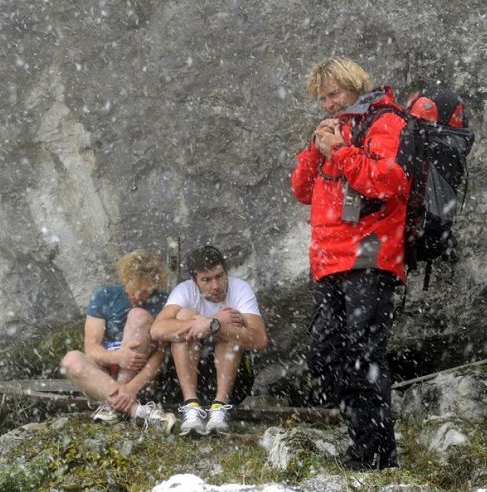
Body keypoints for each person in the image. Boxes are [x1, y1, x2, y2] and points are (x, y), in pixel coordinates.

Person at [290, 56, 410, 470]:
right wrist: (316, 147)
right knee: (325, 353)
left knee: (364, 355)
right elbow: (302, 190)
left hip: (369, 254)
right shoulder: (334, 130)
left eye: (334, 94)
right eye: (322, 97)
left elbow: (387, 181)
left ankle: (373, 455)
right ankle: (367, 441)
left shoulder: (384, 121)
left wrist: (339, 149)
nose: (327, 103)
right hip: (329, 260)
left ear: (354, 86)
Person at [150, 245, 268, 436]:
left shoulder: (240, 289)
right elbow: (156, 330)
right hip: (188, 379)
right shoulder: (185, 291)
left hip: (233, 381)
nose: (215, 286)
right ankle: (191, 407)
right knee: (184, 317)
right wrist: (197, 324)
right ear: (194, 281)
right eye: (206, 280)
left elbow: (260, 339)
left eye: (219, 276)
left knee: (232, 325)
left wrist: (215, 326)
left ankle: (219, 408)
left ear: (226, 272)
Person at [60, 249, 175, 430]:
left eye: (145, 291)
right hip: (103, 375)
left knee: (138, 315)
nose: (138, 297)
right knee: (70, 360)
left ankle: (114, 403)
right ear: (125, 279)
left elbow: (161, 356)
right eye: (134, 290)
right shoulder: (105, 296)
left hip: (141, 377)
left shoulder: (165, 302)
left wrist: (131, 389)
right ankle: (138, 411)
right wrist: (118, 357)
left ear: (155, 284)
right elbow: (91, 348)